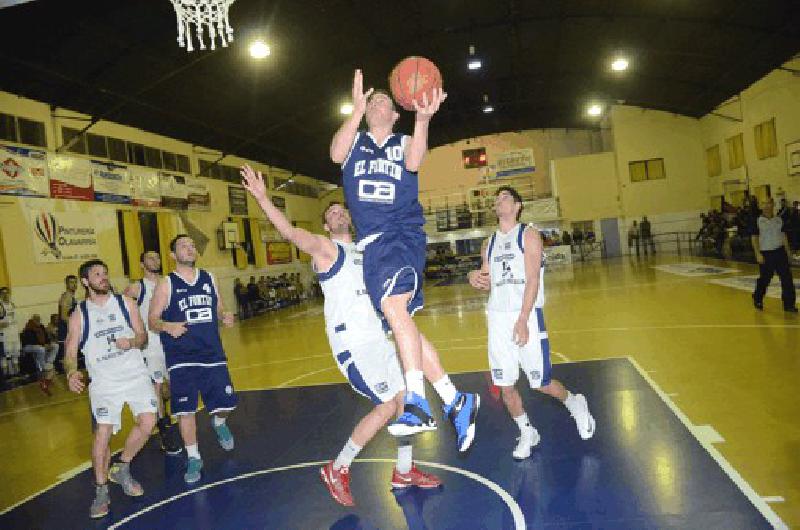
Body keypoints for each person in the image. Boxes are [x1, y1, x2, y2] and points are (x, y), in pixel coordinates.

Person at [241, 165, 442, 506]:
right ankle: (339, 466)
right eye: (331, 213)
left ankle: (404, 470)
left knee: (408, 403)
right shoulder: (325, 249)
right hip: (355, 346)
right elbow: (291, 234)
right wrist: (263, 198)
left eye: (340, 210)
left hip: (381, 340)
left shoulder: (367, 250)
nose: (337, 214)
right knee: (389, 405)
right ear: (326, 225)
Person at [330, 69, 479, 450]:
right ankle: (455, 400)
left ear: (397, 114)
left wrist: (424, 118)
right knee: (403, 324)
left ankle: (415, 400)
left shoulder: (403, 141)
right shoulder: (354, 144)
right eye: (373, 101)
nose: (379, 103)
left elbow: (414, 162)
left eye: (386, 101)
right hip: (372, 247)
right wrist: (354, 108)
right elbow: (334, 153)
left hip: (400, 236)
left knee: (394, 308)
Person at [467, 187, 595, 460]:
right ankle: (527, 432)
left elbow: (533, 279)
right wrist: (474, 277)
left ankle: (575, 403)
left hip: (526, 314)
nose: (498, 201)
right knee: (505, 387)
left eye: (504, 198)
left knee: (540, 382)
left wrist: (523, 319)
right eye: (497, 199)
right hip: (498, 318)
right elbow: (487, 280)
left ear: (517, 206)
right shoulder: (487, 243)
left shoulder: (528, 235)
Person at [64, 259, 157, 519]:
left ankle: (123, 467)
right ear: (85, 281)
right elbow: (70, 352)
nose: (103, 277)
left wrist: (132, 342)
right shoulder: (79, 315)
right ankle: (101, 490)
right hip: (105, 383)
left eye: (105, 273)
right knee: (102, 435)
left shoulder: (125, 304)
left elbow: (143, 336)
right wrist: (72, 372)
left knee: (148, 423)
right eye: (97, 275)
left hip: (135, 375)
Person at [148, 235, 238, 484]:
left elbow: (218, 306)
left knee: (228, 404)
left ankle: (219, 422)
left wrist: (224, 315)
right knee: (185, 411)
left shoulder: (209, 278)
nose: (190, 248)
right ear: (173, 256)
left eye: (192, 245)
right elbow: (152, 320)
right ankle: (194, 456)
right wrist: (167, 326)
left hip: (212, 354)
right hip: (182, 358)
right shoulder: (167, 283)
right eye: (183, 246)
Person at [123, 251, 182, 455]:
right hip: (151, 346)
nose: (155, 260)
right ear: (141, 263)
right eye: (150, 258)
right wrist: (133, 339)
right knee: (157, 386)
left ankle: (164, 415)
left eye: (157, 257)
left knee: (172, 387)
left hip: (172, 341)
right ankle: (165, 430)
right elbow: (123, 314)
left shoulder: (168, 282)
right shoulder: (136, 287)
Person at [751, 198, 797, 312]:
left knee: (787, 278)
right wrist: (758, 254)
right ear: (761, 205)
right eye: (764, 203)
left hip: (780, 252)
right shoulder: (757, 220)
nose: (767, 206)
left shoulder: (779, 220)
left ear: (773, 205)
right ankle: (758, 298)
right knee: (765, 279)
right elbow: (754, 238)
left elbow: (783, 236)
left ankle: (789, 304)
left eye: (769, 203)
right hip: (766, 254)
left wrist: (788, 253)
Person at [21, 313, 58, 395]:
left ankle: (49, 362)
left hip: (39, 345)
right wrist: (43, 345)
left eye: (39, 319)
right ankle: (43, 366)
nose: (38, 321)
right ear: (33, 320)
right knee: (41, 349)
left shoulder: (41, 327)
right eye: (36, 319)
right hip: (28, 346)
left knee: (55, 346)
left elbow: (46, 337)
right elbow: (31, 341)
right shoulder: (29, 328)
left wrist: (48, 343)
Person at [0, 287, 21, 376]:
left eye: (7, 293)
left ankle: (16, 373)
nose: (5, 295)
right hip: (4, 335)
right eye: (3, 293)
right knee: (5, 356)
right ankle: (6, 375)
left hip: (14, 334)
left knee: (15, 354)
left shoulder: (12, 305)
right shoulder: (1, 306)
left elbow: (16, 319)